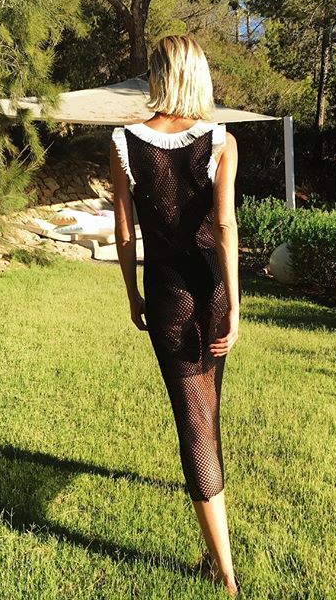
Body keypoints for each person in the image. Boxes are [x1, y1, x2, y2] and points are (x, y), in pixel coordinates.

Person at [109, 34, 241, 597]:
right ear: (200, 75)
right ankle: (219, 556)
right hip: (211, 291)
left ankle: (224, 573)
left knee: (196, 422)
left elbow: (125, 231)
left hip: (166, 294)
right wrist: (235, 304)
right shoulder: (221, 140)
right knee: (205, 409)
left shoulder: (122, 141)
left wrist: (132, 293)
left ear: (158, 75)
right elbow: (225, 226)